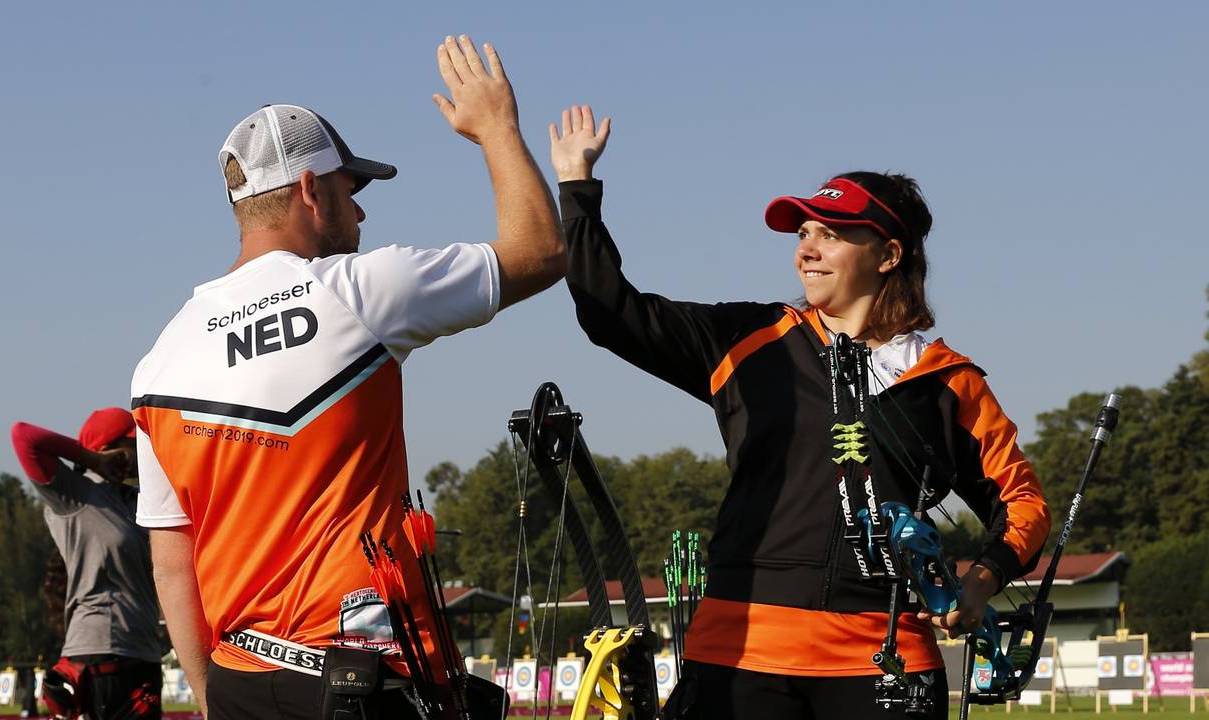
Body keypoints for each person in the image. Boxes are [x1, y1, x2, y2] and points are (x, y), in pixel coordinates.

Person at [548, 105, 1051, 719]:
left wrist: (981, 580)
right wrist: (577, 186)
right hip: (738, 656)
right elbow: (609, 312)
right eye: (803, 233)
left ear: (888, 254)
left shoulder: (949, 381)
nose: (806, 250)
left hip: (886, 666)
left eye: (831, 234)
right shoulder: (750, 337)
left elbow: (1024, 504)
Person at [130, 35, 563, 719]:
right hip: (355, 685)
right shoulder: (358, 290)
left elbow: (172, 560)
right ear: (309, 190)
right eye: (348, 189)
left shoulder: (158, 362)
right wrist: (496, 127)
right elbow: (540, 250)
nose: (360, 211)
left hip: (238, 677)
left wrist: (214, 700)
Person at [10, 408, 166, 720]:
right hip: (99, 653)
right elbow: (23, 435)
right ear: (110, 449)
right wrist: (92, 460)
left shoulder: (138, 499)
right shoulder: (72, 494)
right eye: (133, 445)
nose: (142, 453)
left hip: (144, 653)